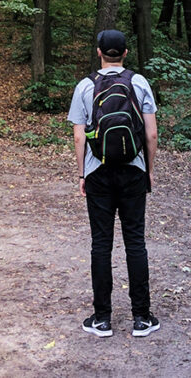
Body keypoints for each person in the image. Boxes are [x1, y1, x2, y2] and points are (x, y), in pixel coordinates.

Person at [68, 29, 160, 338]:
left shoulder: (85, 86)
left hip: (98, 173)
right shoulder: (139, 83)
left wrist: (83, 174)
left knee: (101, 243)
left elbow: (80, 135)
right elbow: (151, 134)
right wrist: (148, 169)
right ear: (125, 52)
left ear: (98, 52)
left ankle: (102, 319)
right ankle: (142, 318)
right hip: (133, 170)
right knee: (135, 241)